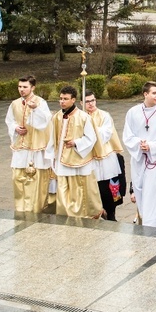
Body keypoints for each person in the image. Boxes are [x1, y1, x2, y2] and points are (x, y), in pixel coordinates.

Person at [46, 85, 103, 218]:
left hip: (78, 159)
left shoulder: (83, 117)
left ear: (73, 100)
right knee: (63, 188)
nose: (62, 101)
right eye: (60, 99)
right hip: (61, 157)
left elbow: (91, 138)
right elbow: (52, 137)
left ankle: (82, 214)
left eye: (65, 99)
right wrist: (51, 156)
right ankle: (65, 214)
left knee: (78, 189)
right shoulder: (57, 117)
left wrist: (76, 143)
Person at [123, 81, 156, 227]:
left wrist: (150, 146)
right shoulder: (133, 113)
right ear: (145, 94)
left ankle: (153, 226)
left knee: (154, 194)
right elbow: (127, 135)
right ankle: (144, 221)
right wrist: (140, 144)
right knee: (139, 191)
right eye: (154, 93)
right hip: (138, 160)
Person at [5, 75, 55, 213]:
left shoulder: (40, 102)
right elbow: (9, 120)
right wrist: (15, 128)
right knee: (18, 177)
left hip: (36, 147)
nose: (21, 90)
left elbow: (45, 122)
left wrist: (35, 109)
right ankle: (21, 208)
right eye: (20, 87)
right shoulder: (15, 103)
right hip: (21, 147)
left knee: (36, 179)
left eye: (25, 87)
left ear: (32, 87)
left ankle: (36, 208)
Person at [84, 90, 124, 221]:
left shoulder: (104, 115)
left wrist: (90, 128)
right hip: (89, 157)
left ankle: (111, 214)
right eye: (87, 101)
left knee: (109, 189)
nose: (90, 104)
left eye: (92, 100)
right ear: (81, 103)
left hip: (106, 157)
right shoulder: (80, 116)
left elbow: (106, 134)